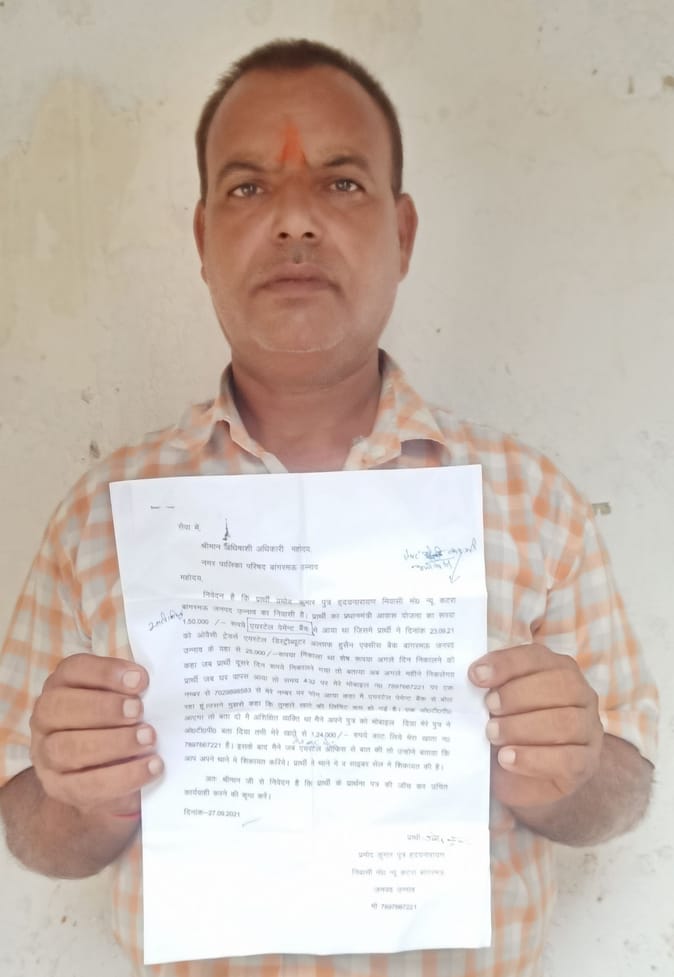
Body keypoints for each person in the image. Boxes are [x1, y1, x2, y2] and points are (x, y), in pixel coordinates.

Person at [0, 37, 657, 977]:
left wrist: (572, 768)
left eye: (342, 183)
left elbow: (623, 788)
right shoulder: (104, 514)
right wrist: (81, 792)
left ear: (403, 232)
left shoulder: (529, 497)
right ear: (201, 239)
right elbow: (29, 823)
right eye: (248, 188)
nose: (295, 221)